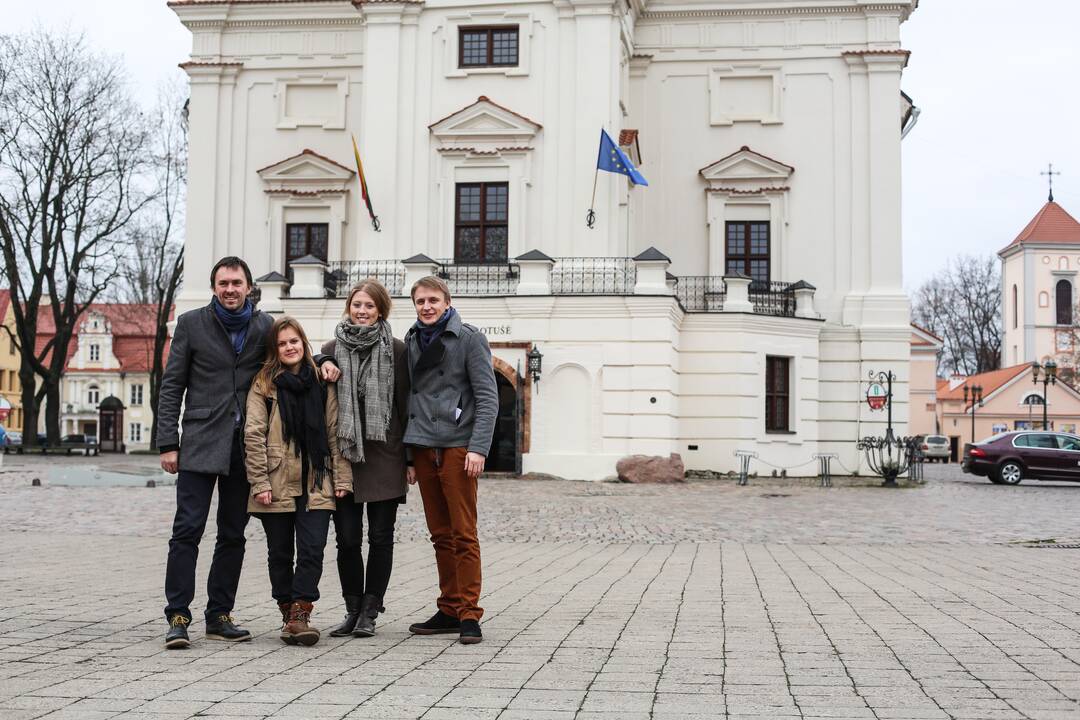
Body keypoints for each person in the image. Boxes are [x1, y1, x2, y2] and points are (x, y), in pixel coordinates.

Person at [158, 256, 272, 649]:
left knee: (233, 534)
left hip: (245, 447)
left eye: (236, 283)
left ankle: (219, 614)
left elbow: (290, 358)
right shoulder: (192, 324)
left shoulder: (264, 326)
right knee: (186, 530)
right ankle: (178, 615)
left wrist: (323, 361)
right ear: (213, 287)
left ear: (248, 287)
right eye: (223, 283)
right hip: (200, 441)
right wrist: (167, 442)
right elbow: (172, 385)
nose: (230, 290)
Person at [244, 317, 352, 646]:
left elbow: (334, 432)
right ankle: (287, 612)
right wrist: (259, 482)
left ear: (304, 343)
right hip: (276, 480)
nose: (290, 347)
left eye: (295, 341)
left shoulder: (322, 381)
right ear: (274, 350)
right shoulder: (264, 384)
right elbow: (253, 434)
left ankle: (300, 615)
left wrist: (342, 476)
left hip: (317, 480)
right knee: (279, 554)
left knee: (311, 550)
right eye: (282, 343)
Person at [402, 276, 498, 645]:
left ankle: (470, 613)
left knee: (463, 533)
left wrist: (478, 448)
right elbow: (410, 398)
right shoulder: (412, 339)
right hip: (424, 446)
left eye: (433, 300)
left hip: (458, 446)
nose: (427, 307)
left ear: (447, 301)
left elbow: (488, 398)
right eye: (420, 301)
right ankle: (449, 607)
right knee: (440, 534)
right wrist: (410, 455)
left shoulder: (469, 338)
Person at [317, 279, 412, 638]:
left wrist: (411, 459)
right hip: (345, 456)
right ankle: (352, 608)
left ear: (381, 310)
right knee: (347, 539)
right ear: (348, 306)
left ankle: (371, 610)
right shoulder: (330, 348)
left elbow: (407, 404)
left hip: (386, 453)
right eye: (357, 304)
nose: (362, 311)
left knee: (382, 537)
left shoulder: (398, 350)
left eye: (369, 306)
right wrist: (321, 359)